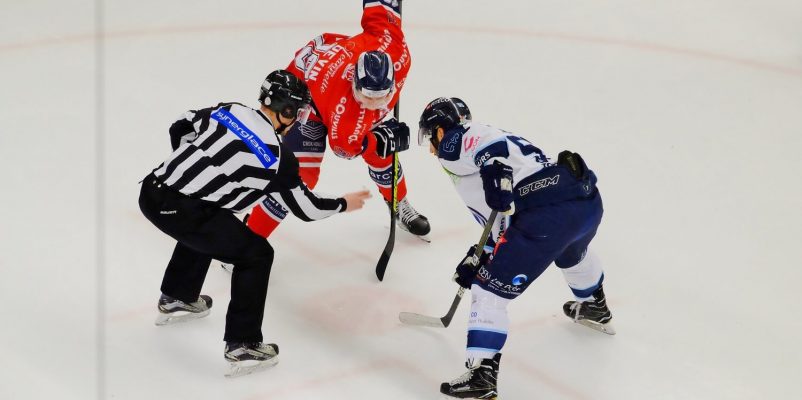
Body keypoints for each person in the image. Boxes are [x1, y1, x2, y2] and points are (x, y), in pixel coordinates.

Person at [138, 70, 382, 377]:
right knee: (256, 254)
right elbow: (307, 209)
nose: (298, 120)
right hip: (183, 212)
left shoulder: (229, 109)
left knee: (213, 220)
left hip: (151, 191)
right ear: (287, 111)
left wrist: (193, 170)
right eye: (298, 112)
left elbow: (182, 124)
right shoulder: (277, 158)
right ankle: (243, 345)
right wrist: (344, 203)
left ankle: (178, 296)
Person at [417, 97, 615, 399]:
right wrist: (481, 254)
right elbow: (505, 217)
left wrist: (492, 168)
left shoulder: (454, 140)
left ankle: (482, 375)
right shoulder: (495, 142)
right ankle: (593, 304)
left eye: (430, 138)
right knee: (571, 252)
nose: (432, 149)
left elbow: (489, 153)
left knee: (488, 290)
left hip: (546, 214)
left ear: (440, 131)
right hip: (582, 199)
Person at [244, 0, 431, 240]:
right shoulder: (346, 118)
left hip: (332, 56)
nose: (373, 104)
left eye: (381, 97)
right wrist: (378, 140)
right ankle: (249, 236)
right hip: (307, 96)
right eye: (367, 97)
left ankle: (398, 203)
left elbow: (380, 12)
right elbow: (346, 149)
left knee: (382, 152)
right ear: (354, 82)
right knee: (299, 177)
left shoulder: (396, 50)